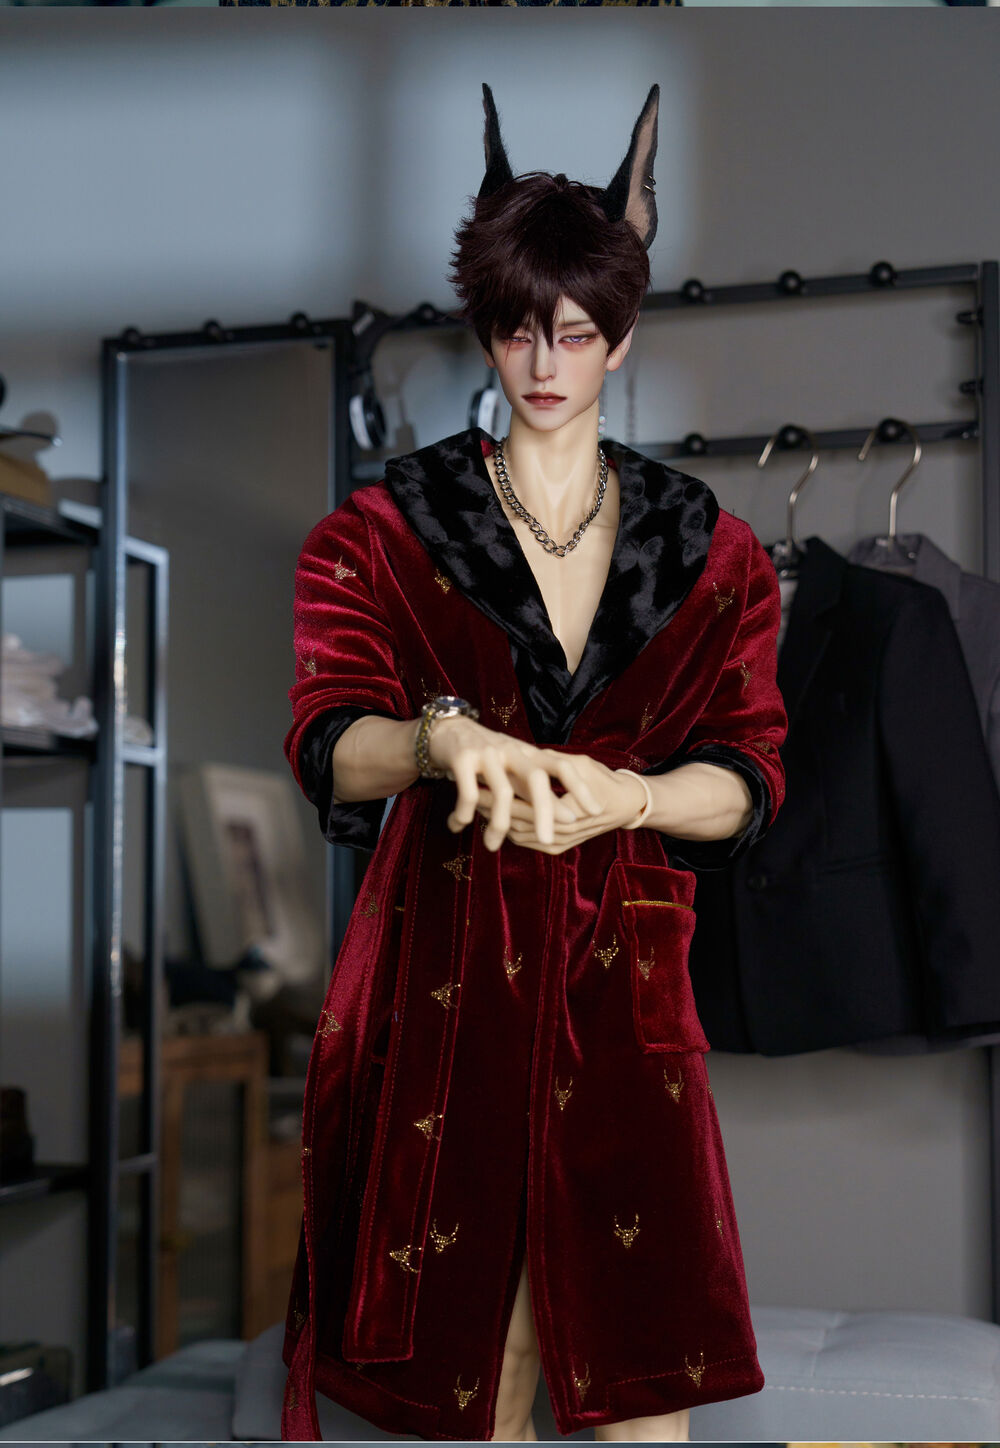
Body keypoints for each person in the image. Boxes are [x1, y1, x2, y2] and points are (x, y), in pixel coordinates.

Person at [280, 82, 788, 1443]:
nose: (545, 362)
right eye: (517, 330)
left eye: (574, 331)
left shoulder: (712, 549)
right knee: (485, 1362)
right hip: (452, 978)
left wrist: (631, 795)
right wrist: (438, 735)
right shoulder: (386, 532)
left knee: (647, 1369)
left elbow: (748, 773)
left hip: (627, 981)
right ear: (486, 331)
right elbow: (328, 743)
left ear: (621, 333)